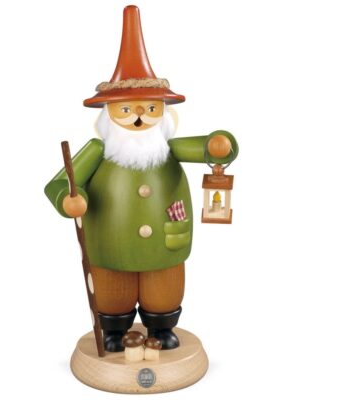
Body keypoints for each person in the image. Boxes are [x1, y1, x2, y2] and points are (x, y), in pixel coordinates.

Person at [45, 5, 238, 352]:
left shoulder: (168, 149)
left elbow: (208, 148)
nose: (138, 116)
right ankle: (114, 331)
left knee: (163, 290)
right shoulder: (98, 151)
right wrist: (69, 199)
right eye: (126, 109)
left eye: (150, 108)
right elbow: (59, 184)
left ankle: (161, 329)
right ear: (108, 113)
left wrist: (217, 146)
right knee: (112, 292)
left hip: (165, 244)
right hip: (110, 246)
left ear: (163, 111)